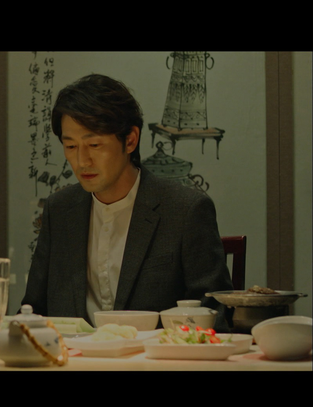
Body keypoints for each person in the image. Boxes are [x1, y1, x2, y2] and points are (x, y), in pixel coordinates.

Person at [20, 74, 233, 331]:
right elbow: (33, 311)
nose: (82, 161)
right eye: (71, 147)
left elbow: (213, 316)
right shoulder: (60, 210)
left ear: (130, 140)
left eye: (94, 144)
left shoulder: (185, 209)